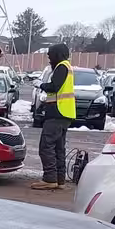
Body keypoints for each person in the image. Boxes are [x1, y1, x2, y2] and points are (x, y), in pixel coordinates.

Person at [32, 43, 75, 190]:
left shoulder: (62, 67)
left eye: (50, 55)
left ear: (57, 54)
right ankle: (59, 180)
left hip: (58, 113)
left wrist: (41, 84)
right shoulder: (66, 66)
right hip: (64, 114)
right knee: (58, 148)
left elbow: (54, 87)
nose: (49, 58)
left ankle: (50, 178)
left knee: (46, 146)